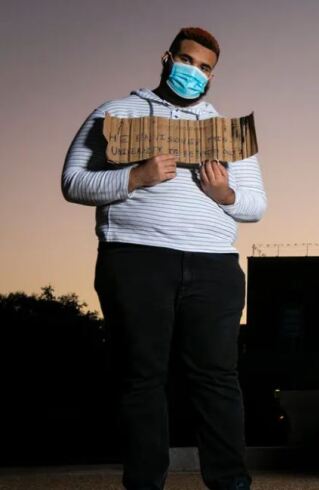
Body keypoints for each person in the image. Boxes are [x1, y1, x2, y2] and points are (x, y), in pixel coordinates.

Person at [62, 27, 266, 490]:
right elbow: (73, 181)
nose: (193, 72)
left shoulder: (230, 130)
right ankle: (144, 484)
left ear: (213, 74)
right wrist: (135, 176)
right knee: (141, 378)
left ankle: (231, 483)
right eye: (187, 60)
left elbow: (256, 205)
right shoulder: (116, 111)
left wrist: (224, 193)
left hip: (213, 265)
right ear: (167, 57)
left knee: (218, 379)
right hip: (135, 259)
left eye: (204, 67)